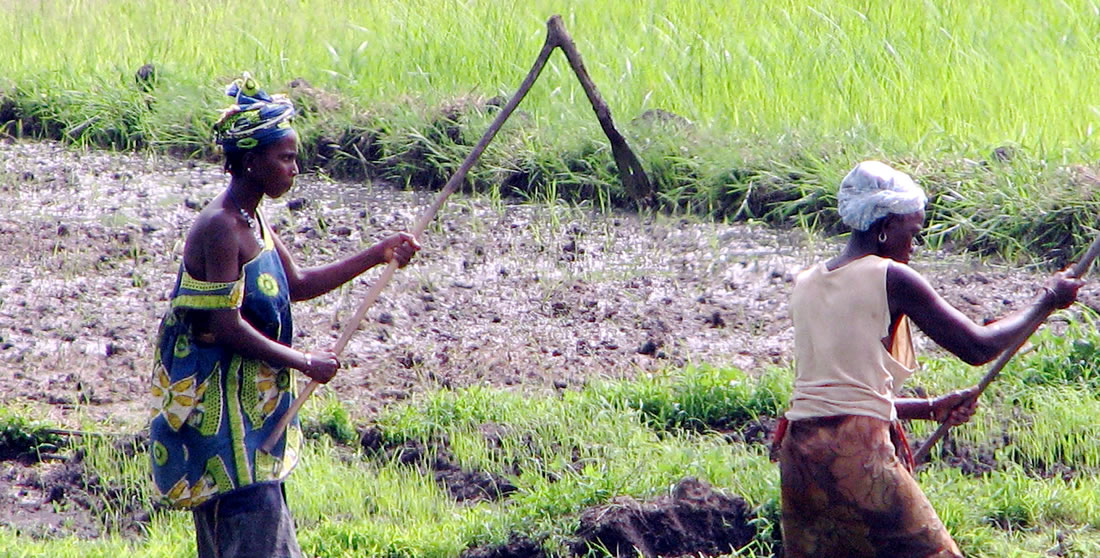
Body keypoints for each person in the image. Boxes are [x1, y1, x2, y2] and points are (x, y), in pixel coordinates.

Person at [148, 73, 420, 557]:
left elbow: (296, 285)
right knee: (255, 528)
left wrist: (378, 254)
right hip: (222, 422)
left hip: (251, 415)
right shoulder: (221, 227)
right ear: (252, 161)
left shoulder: (253, 220)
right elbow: (225, 326)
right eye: (286, 157)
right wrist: (302, 362)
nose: (295, 169)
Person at [775, 160, 1083, 557]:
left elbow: (835, 395)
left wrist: (928, 408)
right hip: (853, 456)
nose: (913, 246)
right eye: (912, 232)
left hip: (799, 457)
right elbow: (976, 347)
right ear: (884, 226)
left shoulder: (807, 282)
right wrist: (1048, 300)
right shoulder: (891, 277)